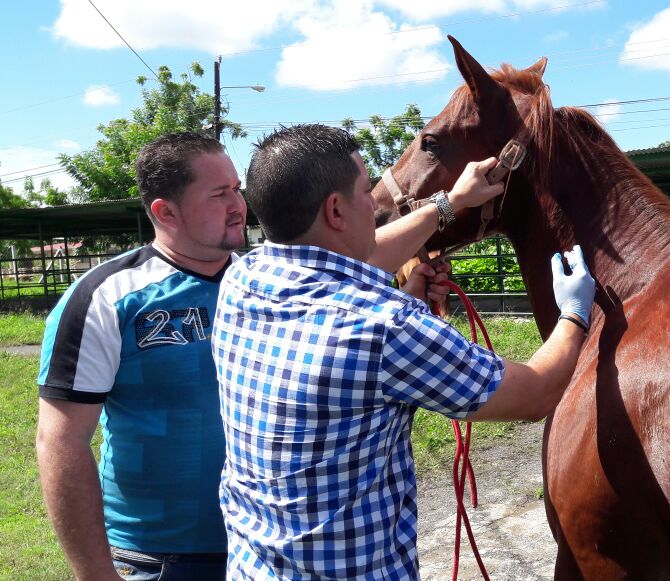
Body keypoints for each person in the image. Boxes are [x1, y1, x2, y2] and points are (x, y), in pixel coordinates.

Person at [33, 132, 461, 581]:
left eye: (237, 188)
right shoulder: (106, 297)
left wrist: (449, 208)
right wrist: (96, 575)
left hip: (266, 552)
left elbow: (362, 252)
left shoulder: (259, 278)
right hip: (159, 558)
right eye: (220, 195)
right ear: (165, 211)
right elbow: (60, 441)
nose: (239, 204)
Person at [211, 124, 595, 579]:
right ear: (335, 209)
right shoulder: (384, 326)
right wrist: (573, 312)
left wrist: (450, 202)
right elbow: (533, 394)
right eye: (362, 190)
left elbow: (353, 265)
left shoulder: (243, 279)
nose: (374, 202)